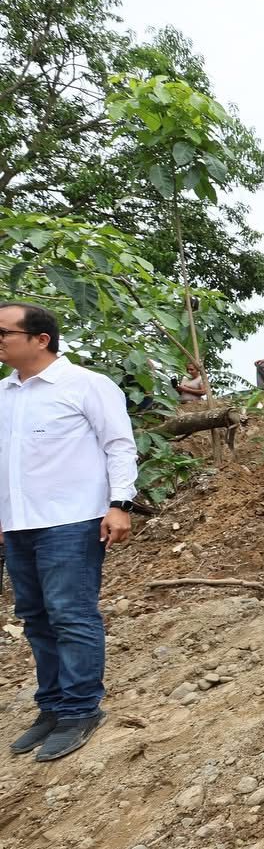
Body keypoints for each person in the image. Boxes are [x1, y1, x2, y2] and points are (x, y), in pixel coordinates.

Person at [1, 302, 137, 761]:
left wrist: (119, 505)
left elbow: (119, 446)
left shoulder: (86, 386)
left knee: (70, 614)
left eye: (5, 332)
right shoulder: (6, 394)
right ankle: (53, 706)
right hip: (19, 523)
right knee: (35, 616)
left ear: (40, 339)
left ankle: (80, 709)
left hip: (71, 520)